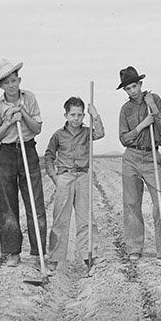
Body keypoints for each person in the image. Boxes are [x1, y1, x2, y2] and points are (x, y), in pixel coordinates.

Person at [0, 59, 46, 267]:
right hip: (7, 154)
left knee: (35, 201)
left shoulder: (29, 97)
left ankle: (39, 251)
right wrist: (9, 122)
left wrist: (23, 114)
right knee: (7, 203)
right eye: (7, 82)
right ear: (1, 86)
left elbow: (37, 127)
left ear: (19, 80)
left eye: (14, 81)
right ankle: (12, 252)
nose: (11, 85)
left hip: (28, 150)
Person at [117, 65, 161, 264]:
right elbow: (124, 138)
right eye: (128, 89)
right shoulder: (125, 109)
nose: (132, 91)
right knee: (132, 204)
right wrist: (142, 125)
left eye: (134, 86)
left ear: (140, 84)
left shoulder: (154, 100)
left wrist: (154, 109)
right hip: (131, 158)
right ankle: (134, 248)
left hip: (151, 156)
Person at [43, 95, 105, 270]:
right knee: (60, 219)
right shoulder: (58, 135)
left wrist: (95, 116)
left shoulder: (87, 132)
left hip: (83, 177)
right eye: (73, 115)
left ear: (84, 115)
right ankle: (54, 258)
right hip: (65, 177)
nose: (76, 118)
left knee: (86, 218)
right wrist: (54, 176)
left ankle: (89, 255)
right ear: (66, 115)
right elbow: (49, 156)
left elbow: (100, 133)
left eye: (80, 115)